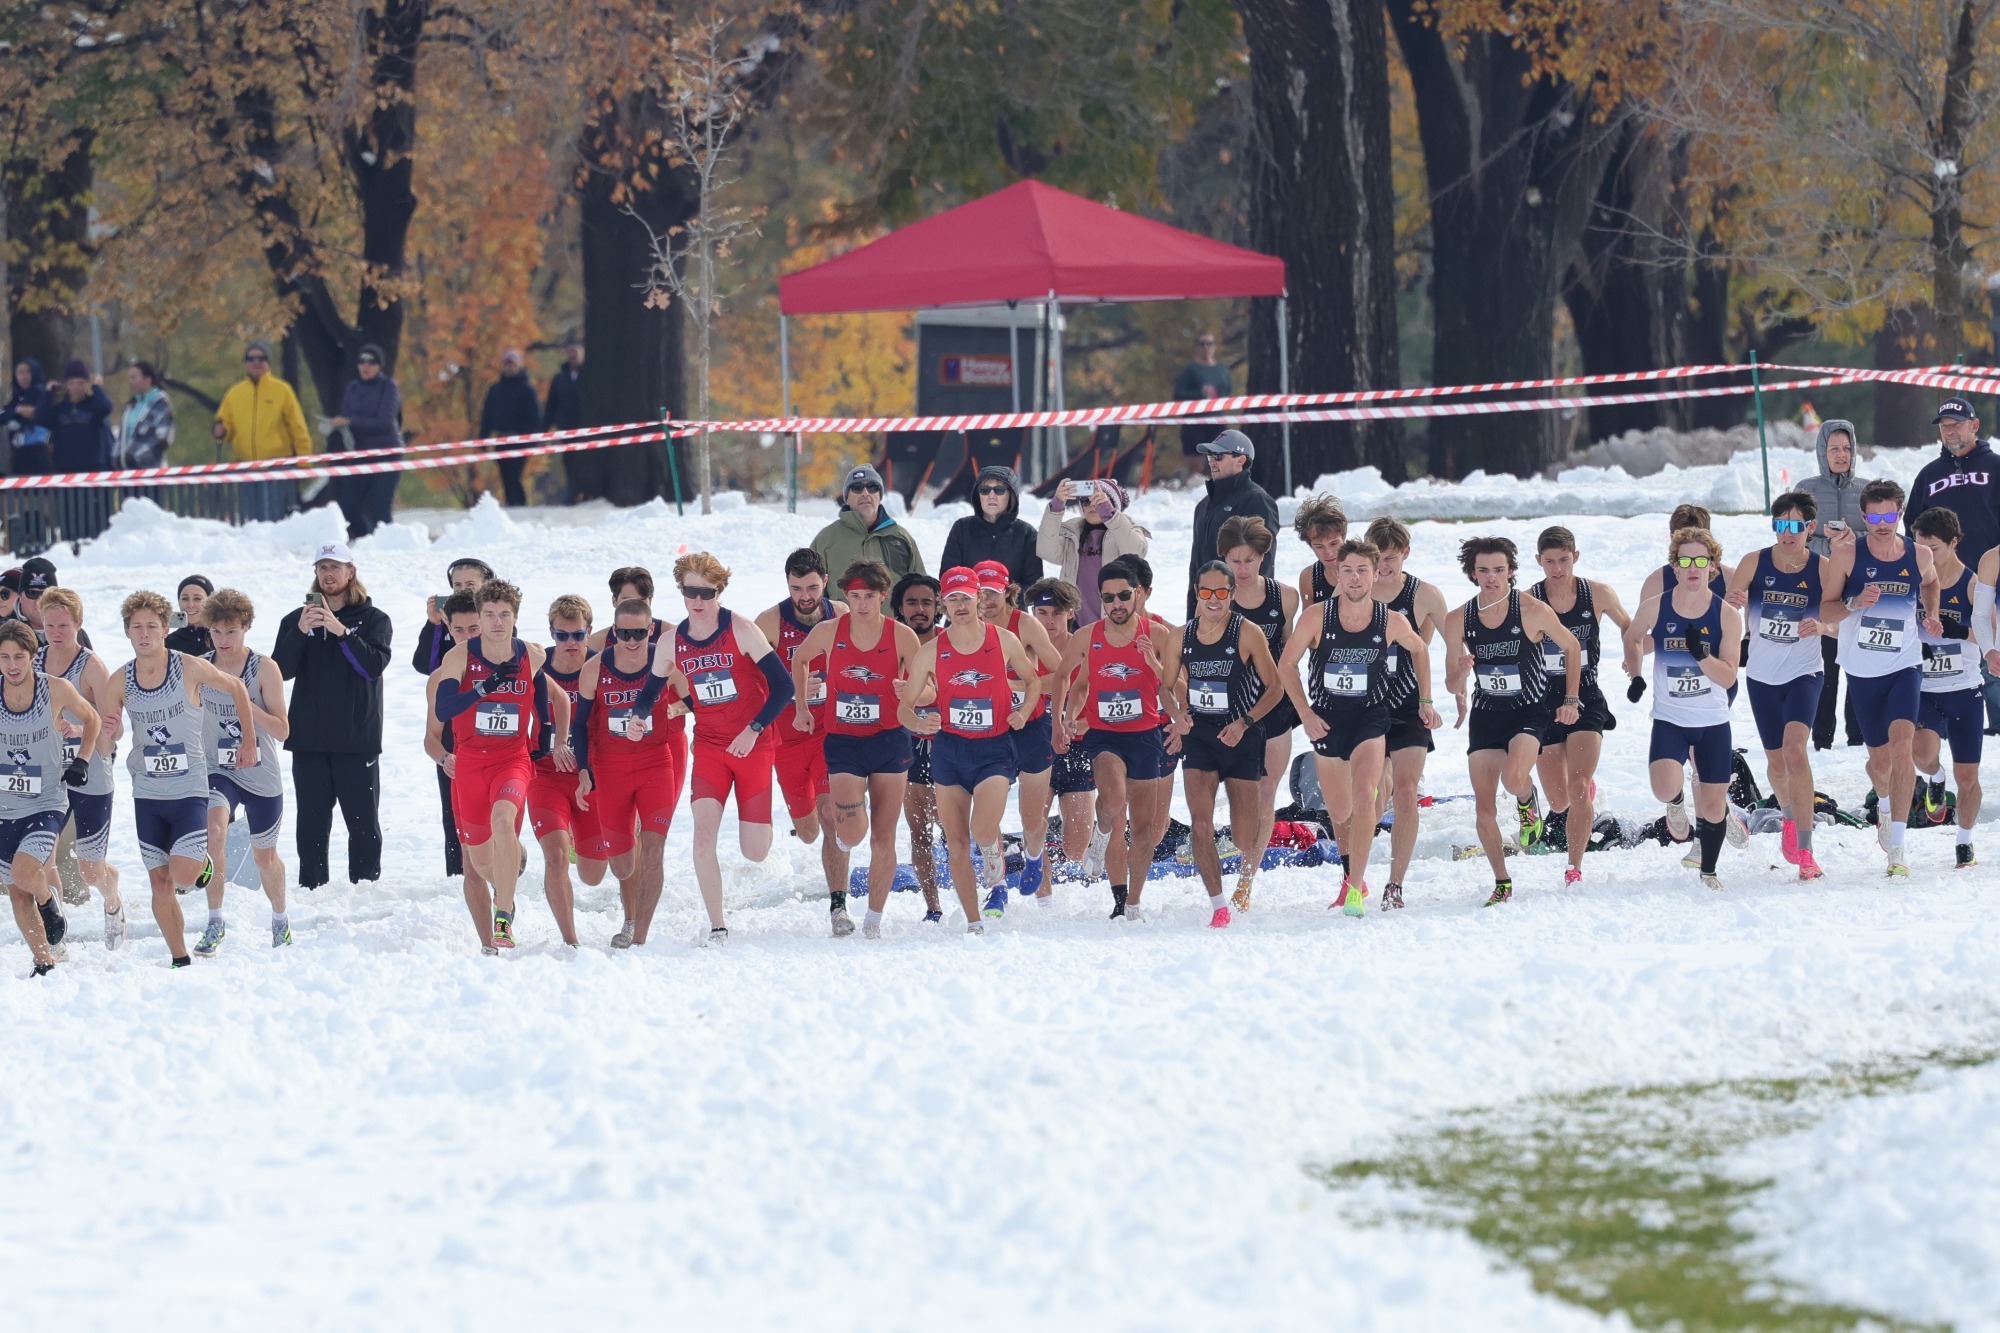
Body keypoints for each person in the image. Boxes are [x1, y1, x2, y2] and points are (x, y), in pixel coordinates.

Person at [629, 553, 796, 945]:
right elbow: (649, 693)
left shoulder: (740, 629)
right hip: (709, 746)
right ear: (681, 591)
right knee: (703, 838)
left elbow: (784, 687)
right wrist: (638, 716)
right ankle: (718, 925)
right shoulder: (671, 642)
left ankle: (765, 823)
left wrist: (754, 729)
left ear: (718, 591)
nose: (698, 600)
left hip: (751, 744)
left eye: (706, 592)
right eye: (690, 592)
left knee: (754, 851)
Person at [101, 590, 260, 966]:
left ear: (164, 629)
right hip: (148, 792)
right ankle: (180, 958)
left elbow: (236, 687)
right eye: (137, 627)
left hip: (189, 787)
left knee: (182, 875)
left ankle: (201, 865)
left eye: (151, 626)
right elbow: (112, 733)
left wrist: (249, 741)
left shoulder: (188, 667)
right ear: (127, 631)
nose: (144, 634)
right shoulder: (119, 679)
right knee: (160, 882)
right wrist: (112, 729)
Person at [1279, 540, 1438, 914]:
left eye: (1361, 570)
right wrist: (1304, 713)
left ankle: (1353, 888)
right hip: (1328, 720)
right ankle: (1354, 876)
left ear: (1375, 574)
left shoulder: (1390, 620)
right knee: (1340, 811)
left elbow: (1420, 649)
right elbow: (1287, 665)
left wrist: (1426, 700)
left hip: (1371, 718)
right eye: (1347, 570)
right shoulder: (1317, 616)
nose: (1354, 578)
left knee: (1366, 796)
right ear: (1339, 574)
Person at [899, 566, 1041, 932]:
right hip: (949, 750)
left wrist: (1023, 712)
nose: (960, 605)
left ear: (979, 598)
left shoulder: (1003, 640)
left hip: (994, 749)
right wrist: (919, 723)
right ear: (944, 604)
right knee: (957, 841)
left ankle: (996, 869)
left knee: (981, 829)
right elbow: (905, 708)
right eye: (952, 599)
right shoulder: (931, 651)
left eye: (966, 597)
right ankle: (974, 920)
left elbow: (1033, 680)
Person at [1443, 537, 1581, 906]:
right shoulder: (1458, 618)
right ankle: (1502, 880)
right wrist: (1459, 672)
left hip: (1529, 710)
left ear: (1511, 572)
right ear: (1473, 572)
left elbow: (1571, 646)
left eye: (1499, 570)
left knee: (1513, 778)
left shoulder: (1532, 610)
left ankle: (1526, 799)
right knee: (1484, 809)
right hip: (1486, 715)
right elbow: (1451, 684)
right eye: (1484, 570)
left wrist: (1570, 698)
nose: (1491, 578)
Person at [789, 560, 921, 939]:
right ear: (846, 597)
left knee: (884, 836)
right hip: (844, 741)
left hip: (889, 740)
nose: (862, 604)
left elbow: (929, 689)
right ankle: (850, 825)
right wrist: (802, 705)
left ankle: (874, 918)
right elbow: (799, 659)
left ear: (883, 596)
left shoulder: (901, 636)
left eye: (869, 597)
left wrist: (910, 694)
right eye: (855, 596)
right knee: (852, 830)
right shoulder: (829, 631)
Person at [432, 579, 566, 952]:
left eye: (503, 615)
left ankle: (503, 916)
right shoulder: (459, 657)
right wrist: (483, 687)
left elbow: (542, 695)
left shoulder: (532, 654)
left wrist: (545, 735)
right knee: (480, 860)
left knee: (504, 820)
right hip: (471, 765)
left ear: (514, 618)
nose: (496, 622)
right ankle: (507, 873)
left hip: (512, 760)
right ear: (480, 616)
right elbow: (444, 711)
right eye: (488, 615)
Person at [1050, 561, 1184, 921]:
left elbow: (1176, 688)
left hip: (1145, 735)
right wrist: (1061, 721)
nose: (1117, 604)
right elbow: (1067, 679)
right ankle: (1104, 828)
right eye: (1109, 598)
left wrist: (1155, 668)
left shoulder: (1156, 635)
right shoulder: (1088, 636)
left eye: (1124, 595)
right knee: (1112, 797)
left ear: (1138, 594)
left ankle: (1132, 901)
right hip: (1104, 735)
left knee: (1143, 829)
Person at [1820, 479, 1940, 876]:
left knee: (1903, 747)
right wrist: (1854, 603)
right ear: (1865, 516)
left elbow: (1931, 582)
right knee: (1881, 761)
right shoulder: (1846, 555)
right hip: (1861, 670)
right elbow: (1826, 610)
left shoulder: (1919, 554)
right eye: (1875, 516)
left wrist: (1931, 614)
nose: (1883, 523)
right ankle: (1885, 806)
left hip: (1904, 665)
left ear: (1900, 514)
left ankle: (1899, 848)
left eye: (1890, 515)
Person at [1623, 528, 1745, 891]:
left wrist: (1702, 656)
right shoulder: (1656, 606)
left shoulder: (1726, 616)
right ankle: (1676, 803)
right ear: (1675, 566)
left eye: (1701, 561)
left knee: (1710, 808)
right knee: (1663, 788)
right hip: (1670, 717)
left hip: (1712, 721)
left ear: (1713, 567)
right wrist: (1636, 675)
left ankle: (1709, 870)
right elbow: (1631, 637)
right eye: (1686, 561)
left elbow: (1726, 678)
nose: (1694, 568)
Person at [271, 541, 394, 891]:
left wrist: (341, 632)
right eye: (322, 567)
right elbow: (280, 670)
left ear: (350, 572)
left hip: (357, 740)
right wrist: (301, 632)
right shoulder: (296, 620)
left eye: (335, 567)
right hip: (309, 740)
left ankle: (365, 886)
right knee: (310, 823)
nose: (328, 574)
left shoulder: (374, 620)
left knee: (363, 823)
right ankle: (312, 887)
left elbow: (372, 666)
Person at [1724, 492, 1829, 881]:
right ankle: (1788, 815)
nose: (1787, 534)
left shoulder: (1822, 568)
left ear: (1810, 528)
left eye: (1795, 526)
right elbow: (1731, 604)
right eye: (1780, 525)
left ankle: (1806, 850)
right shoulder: (1755, 562)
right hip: (1763, 677)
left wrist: (1822, 625)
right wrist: (1734, 599)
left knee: (1795, 752)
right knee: (1775, 765)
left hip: (1805, 672)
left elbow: (1840, 613)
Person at [574, 598, 685, 950]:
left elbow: (695, 698)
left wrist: (673, 709)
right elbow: (580, 726)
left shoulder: (665, 662)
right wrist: (584, 771)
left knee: (654, 851)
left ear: (651, 629)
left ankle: (638, 933)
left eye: (640, 632)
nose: (632, 640)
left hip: (656, 764)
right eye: (625, 633)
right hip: (612, 771)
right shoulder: (595, 668)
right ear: (614, 631)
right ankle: (632, 909)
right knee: (622, 865)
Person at [1179, 559, 1284, 927]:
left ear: (1232, 594)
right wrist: (1176, 714)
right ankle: (1218, 904)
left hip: (1242, 735)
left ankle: (1243, 877)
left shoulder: (1248, 632)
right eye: (1205, 592)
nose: (1213, 600)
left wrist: (1245, 722)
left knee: (1243, 835)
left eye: (1220, 593)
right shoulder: (1183, 635)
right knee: (1201, 825)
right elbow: (1166, 684)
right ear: (1197, 594)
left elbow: (1275, 688)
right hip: (1201, 738)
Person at [1528, 526, 1631, 886]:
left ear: (1576, 556)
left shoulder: (1597, 594)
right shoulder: (1529, 602)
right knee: (1558, 800)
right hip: (1544, 701)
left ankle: (1575, 867)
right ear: (1538, 561)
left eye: (1564, 560)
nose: (1557, 569)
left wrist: (1633, 659)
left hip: (1585, 695)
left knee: (1578, 784)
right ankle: (1579, 799)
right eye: (1549, 562)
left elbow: (1629, 626)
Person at [0, 618, 101, 975]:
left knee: (26, 873)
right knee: (16, 892)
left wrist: (82, 760)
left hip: (46, 802)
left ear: (32, 656)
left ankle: (49, 902)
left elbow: (92, 719)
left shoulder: (54, 689)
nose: (12, 665)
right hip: (4, 807)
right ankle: (44, 959)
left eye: (19, 657)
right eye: (4, 657)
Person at [757, 549, 850, 935]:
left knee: (832, 817)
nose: (805, 596)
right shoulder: (770, 622)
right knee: (810, 829)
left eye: (812, 587)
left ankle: (838, 907)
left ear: (825, 582)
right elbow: (751, 679)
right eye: (797, 589)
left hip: (830, 732)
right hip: (789, 739)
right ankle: (803, 823)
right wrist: (792, 689)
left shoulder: (841, 613)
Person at [195, 589, 292, 952]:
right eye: (217, 633)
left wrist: (246, 706)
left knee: (264, 856)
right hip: (218, 771)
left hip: (260, 771)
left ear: (246, 627)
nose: (224, 640)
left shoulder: (264, 668)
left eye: (231, 632)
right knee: (214, 833)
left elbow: (283, 730)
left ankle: (280, 919)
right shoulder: (201, 667)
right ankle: (215, 920)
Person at [35, 589, 125, 945]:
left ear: (79, 624)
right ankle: (55, 929)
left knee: (90, 869)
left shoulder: (91, 666)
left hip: (90, 770)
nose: (56, 632)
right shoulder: (34, 661)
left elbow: (114, 730)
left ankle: (113, 899)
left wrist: (83, 727)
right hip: (48, 773)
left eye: (64, 625)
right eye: (50, 625)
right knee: (44, 854)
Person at [1218, 515, 1297, 910]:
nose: (1242, 569)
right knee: (1238, 791)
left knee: (1267, 792)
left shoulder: (1286, 596)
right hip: (1229, 706)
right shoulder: (1216, 597)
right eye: (1234, 560)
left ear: (1263, 557)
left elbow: (1289, 652)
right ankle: (1234, 848)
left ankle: (1247, 878)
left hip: (1275, 706)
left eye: (1249, 560)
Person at [976, 559, 1061, 913]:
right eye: (979, 594)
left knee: (1031, 818)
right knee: (987, 814)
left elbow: (1061, 673)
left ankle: (1034, 855)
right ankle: (996, 883)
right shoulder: (966, 626)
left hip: (1031, 726)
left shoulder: (1025, 625)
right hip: (989, 730)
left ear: (1009, 591)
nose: (987, 601)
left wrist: (1021, 686)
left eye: (994, 593)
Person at [410, 558, 496, 878]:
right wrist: (436, 625)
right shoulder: (450, 627)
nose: (462, 592)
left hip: (496, 740)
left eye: (469, 586)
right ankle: (459, 878)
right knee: (455, 814)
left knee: (495, 815)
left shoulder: (500, 630)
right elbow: (427, 666)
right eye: (456, 587)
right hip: (454, 731)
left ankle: (500, 870)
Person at [525, 595, 601, 949]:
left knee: (593, 874)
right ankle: (571, 942)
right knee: (555, 857)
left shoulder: (603, 666)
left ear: (589, 631)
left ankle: (576, 838)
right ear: (551, 634)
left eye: (577, 635)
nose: (570, 643)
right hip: (546, 775)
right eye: (562, 636)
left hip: (591, 777)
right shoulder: (537, 670)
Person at [1911, 507, 1984, 868]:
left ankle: (1964, 841)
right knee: (1921, 755)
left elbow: (1992, 633)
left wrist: (1955, 629)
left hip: (1964, 689)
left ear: (1954, 543)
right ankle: (1935, 779)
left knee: (1968, 775)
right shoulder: (1911, 578)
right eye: (1918, 546)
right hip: (1924, 688)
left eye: (1933, 548)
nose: (1925, 555)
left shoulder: (1971, 584)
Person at [1795, 420, 1869, 748]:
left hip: (1857, 593)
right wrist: (1830, 547)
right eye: (1834, 449)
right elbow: (1793, 539)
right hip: (1821, 591)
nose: (1842, 455)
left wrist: (1855, 541)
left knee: (1857, 662)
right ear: (1822, 453)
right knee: (1825, 665)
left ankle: (1858, 735)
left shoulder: (1867, 491)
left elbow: (1887, 535)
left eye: (1847, 449)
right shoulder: (1805, 490)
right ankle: (1821, 738)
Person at [423, 593, 495, 920]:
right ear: (449, 629)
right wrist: (443, 759)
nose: (467, 638)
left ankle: (507, 906)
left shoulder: (512, 664)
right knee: (470, 856)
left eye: (474, 629)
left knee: (501, 840)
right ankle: (479, 924)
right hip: (463, 770)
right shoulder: (440, 679)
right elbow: (431, 739)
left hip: (508, 766)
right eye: (460, 630)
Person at [1022, 577, 1096, 873]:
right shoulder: (1022, 651)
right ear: (1033, 615)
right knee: (1032, 833)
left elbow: (1105, 704)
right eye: (1042, 613)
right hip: (1038, 749)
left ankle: (1054, 849)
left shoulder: (1087, 648)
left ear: (1071, 614)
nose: (1049, 621)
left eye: (1057, 613)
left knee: (1077, 846)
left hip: (1077, 751)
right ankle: (1044, 891)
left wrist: (1081, 724)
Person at [892, 573, 947, 921]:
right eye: (912, 602)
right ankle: (933, 907)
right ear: (899, 606)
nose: (920, 609)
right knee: (919, 830)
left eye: (927, 602)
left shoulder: (951, 640)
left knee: (956, 826)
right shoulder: (891, 644)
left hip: (950, 744)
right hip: (908, 744)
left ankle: (990, 892)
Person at [213, 341, 312, 521]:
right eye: (251, 358)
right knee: (251, 520)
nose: (256, 362)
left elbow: (298, 428)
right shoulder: (234, 393)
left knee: (275, 518)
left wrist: (304, 463)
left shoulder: (282, 390)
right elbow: (225, 425)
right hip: (246, 467)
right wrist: (222, 431)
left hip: (277, 466)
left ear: (269, 362)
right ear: (245, 363)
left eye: (261, 358)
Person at [1188, 429, 1280, 617]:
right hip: (1208, 611)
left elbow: (1262, 563)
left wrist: (1251, 615)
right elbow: (1195, 568)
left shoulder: (1257, 501)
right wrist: (1192, 619)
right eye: (1210, 455)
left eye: (1219, 455)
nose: (1212, 460)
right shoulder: (1203, 506)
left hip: (1243, 615)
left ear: (1241, 460)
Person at [1037, 478, 1147, 624]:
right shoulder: (1073, 533)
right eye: (1085, 501)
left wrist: (1108, 514)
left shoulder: (1128, 529)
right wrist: (1056, 506)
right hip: (1074, 624)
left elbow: (1136, 552)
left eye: (1098, 500)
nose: (1092, 505)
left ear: (1112, 504)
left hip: (1116, 621)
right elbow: (1046, 550)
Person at [329, 344, 403, 538]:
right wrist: (335, 425)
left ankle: (388, 546)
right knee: (349, 508)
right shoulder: (352, 388)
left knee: (381, 510)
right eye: (362, 361)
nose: (365, 365)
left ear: (380, 366)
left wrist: (351, 421)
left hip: (386, 454)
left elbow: (384, 422)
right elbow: (346, 418)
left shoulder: (389, 387)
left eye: (371, 361)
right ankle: (368, 541)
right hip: (360, 454)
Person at [810, 465, 926, 581]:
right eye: (857, 488)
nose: (865, 493)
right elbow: (810, 588)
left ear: (880, 496)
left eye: (872, 487)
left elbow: (920, 588)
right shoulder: (825, 539)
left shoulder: (901, 537)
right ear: (847, 499)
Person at [940, 465, 1043, 591]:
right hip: (971, 608)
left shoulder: (1026, 533)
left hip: (1011, 608)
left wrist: (1004, 601)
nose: (991, 495)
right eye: (984, 490)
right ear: (978, 495)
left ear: (1011, 495)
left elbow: (1034, 585)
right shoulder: (961, 528)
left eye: (999, 490)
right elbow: (949, 577)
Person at [480, 348, 542, 507]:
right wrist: (484, 436)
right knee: (505, 477)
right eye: (507, 364)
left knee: (514, 475)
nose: (510, 368)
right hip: (502, 438)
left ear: (520, 366)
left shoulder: (528, 389)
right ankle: (511, 505)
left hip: (521, 439)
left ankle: (520, 505)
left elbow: (535, 416)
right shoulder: (495, 389)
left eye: (513, 364)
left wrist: (533, 439)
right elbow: (488, 414)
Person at [1172, 331, 1232, 452]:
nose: (1206, 347)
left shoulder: (1222, 369)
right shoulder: (1190, 370)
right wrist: (1200, 394)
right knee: (1195, 467)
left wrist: (1217, 395)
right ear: (1197, 347)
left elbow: (1228, 391)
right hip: (1194, 424)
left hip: (1217, 422)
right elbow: (1178, 394)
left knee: (1218, 465)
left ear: (1214, 346)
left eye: (1209, 344)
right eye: (1202, 344)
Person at [1294, 494, 1350, 607]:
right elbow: (1308, 621)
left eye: (1334, 543)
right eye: (1319, 546)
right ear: (1311, 546)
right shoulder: (1309, 578)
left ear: (1343, 539)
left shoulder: (1365, 568)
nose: (1328, 552)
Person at [117, 361, 175, 468]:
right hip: (128, 471)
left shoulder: (160, 403)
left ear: (148, 380)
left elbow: (162, 439)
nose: (130, 382)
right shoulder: (131, 405)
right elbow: (123, 436)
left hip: (152, 471)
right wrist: (116, 458)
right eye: (129, 378)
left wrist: (138, 456)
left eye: (134, 378)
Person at [4, 357, 51, 473]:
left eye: (28, 372)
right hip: (18, 452)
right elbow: (4, 415)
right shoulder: (14, 397)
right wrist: (18, 410)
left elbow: (39, 413)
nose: (23, 377)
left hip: (39, 450)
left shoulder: (41, 394)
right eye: (20, 373)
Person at [164, 575, 214, 656]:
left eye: (197, 599)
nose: (190, 605)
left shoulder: (221, 641)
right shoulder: (167, 644)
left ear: (210, 602)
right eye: (185, 599)